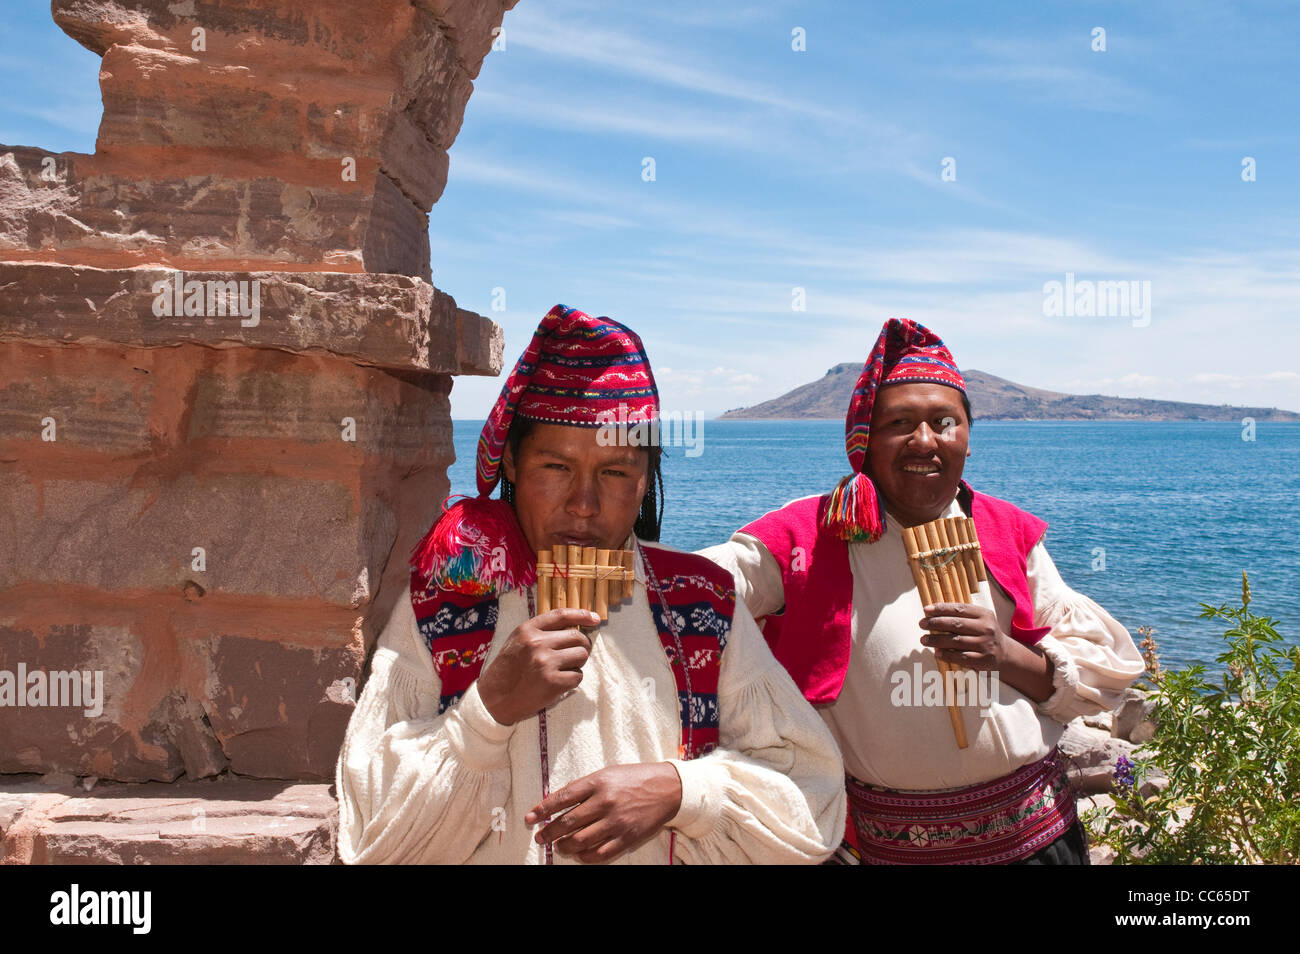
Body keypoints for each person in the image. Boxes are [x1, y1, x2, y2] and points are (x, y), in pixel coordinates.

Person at [335, 304, 846, 865]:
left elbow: (813, 807)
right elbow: (374, 840)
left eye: (615, 472)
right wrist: (487, 712)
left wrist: (683, 791)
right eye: (556, 468)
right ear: (510, 462)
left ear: (646, 476)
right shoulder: (449, 598)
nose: (583, 506)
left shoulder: (705, 599)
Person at [699, 318, 1145, 864]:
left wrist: (1004, 654)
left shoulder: (1008, 532)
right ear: (865, 441)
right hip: (892, 851)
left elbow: (1096, 675)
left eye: (944, 422)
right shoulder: (808, 535)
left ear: (967, 440)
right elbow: (704, 585)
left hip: (1037, 842)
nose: (924, 441)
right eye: (900, 423)